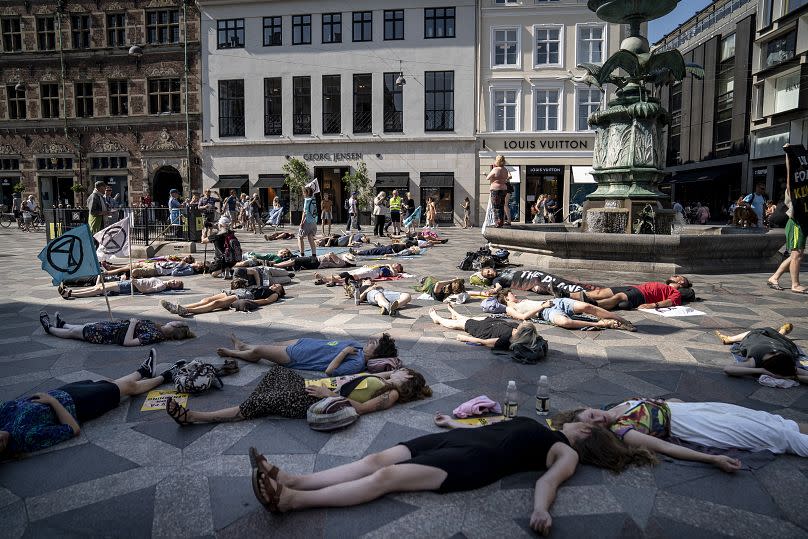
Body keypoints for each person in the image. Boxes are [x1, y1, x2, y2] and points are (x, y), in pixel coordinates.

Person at [244, 415, 651, 527]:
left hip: (474, 464)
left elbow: (547, 481)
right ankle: (295, 479)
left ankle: (295, 501)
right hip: (459, 442)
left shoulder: (567, 452)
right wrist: (454, 425)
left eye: (594, 426)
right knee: (374, 460)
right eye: (591, 417)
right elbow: (494, 427)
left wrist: (542, 509)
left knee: (385, 479)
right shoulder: (544, 424)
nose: (589, 419)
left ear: (590, 439)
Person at [0, 349, 185, 456]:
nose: (1, 442)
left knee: (108, 384)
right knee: (128, 388)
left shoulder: (3, 418)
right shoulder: (25, 437)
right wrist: (52, 401)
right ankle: (166, 375)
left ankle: (143, 371)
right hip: (78, 405)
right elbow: (72, 429)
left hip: (66, 392)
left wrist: (52, 397)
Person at [553, 396, 808, 461]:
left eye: (591, 415)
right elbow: (665, 447)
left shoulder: (618, 406)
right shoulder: (623, 431)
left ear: (587, 407)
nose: (599, 420)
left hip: (695, 410)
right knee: (776, 436)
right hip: (694, 426)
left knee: (771, 420)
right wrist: (712, 459)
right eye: (595, 425)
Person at [164, 365, 431, 427]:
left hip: (322, 399)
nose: (397, 370)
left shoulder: (392, 394)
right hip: (323, 391)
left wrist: (327, 393)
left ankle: (196, 417)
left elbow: (363, 409)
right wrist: (386, 373)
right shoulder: (385, 381)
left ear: (408, 379)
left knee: (261, 401)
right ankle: (254, 407)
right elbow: (376, 368)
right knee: (277, 372)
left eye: (402, 371)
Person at [216, 333, 398, 376]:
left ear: (376, 355)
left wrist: (343, 353)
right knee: (266, 346)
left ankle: (235, 353)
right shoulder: (358, 348)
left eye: (374, 344)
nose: (370, 341)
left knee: (259, 352)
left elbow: (329, 371)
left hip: (298, 357)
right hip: (304, 344)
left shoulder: (357, 363)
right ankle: (243, 345)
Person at [715, 324, 808, 384]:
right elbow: (728, 369)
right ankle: (781, 332)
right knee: (759, 332)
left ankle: (781, 332)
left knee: (761, 332)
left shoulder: (786, 363)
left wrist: (792, 376)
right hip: (760, 339)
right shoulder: (756, 359)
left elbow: (728, 369)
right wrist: (762, 371)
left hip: (775, 343)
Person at [39, 311, 194, 346]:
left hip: (109, 335)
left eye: (174, 322)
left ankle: (50, 329)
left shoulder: (155, 336)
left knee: (76, 333)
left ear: (175, 328)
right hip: (113, 327)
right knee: (85, 326)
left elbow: (128, 342)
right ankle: (63, 324)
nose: (171, 321)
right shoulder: (157, 328)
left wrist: (132, 324)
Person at [501, 292, 636, 331]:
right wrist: (543, 306)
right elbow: (523, 317)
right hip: (546, 312)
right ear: (506, 298)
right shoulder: (510, 308)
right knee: (564, 322)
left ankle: (622, 320)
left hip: (556, 302)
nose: (515, 295)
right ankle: (602, 324)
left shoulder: (521, 302)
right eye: (512, 294)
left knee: (587, 307)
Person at [429, 304, 540, 351]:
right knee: (464, 318)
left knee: (459, 323)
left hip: (482, 330)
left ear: (521, 332)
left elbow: (485, 342)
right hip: (491, 322)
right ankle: (455, 314)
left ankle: (437, 318)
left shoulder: (507, 340)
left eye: (523, 325)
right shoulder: (520, 330)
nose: (522, 322)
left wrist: (465, 338)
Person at [555, 275, 692, 310]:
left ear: (681, 282)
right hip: (634, 288)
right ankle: (565, 295)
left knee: (619, 297)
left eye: (678, 276)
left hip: (642, 296)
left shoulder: (676, 293)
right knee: (599, 292)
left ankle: (593, 305)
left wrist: (653, 305)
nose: (675, 275)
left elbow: (670, 302)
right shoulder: (664, 285)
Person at [162, 283, 286, 317]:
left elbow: (266, 301)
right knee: (207, 299)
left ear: (279, 292)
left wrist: (252, 302)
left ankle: (186, 310)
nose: (274, 285)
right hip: (239, 291)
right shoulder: (266, 286)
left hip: (245, 295)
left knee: (216, 304)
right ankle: (178, 307)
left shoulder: (274, 294)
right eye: (275, 284)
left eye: (277, 286)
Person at [767, 204, 807, 294]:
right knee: (797, 254)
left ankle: (774, 278)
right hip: (796, 224)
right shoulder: (795, 191)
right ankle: (795, 285)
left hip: (802, 224)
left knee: (795, 255)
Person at [57, 276, 184, 299]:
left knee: (98, 290)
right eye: (175, 280)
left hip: (129, 287)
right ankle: (71, 291)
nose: (173, 281)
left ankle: (71, 294)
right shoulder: (161, 281)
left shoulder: (161, 286)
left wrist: (135, 282)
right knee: (99, 286)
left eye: (175, 284)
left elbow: (146, 291)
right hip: (128, 283)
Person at [314, 263, 404, 286]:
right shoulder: (387, 266)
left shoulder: (392, 270)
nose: (396, 264)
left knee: (356, 276)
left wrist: (389, 265)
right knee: (347, 273)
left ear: (399, 269)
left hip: (373, 272)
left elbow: (393, 274)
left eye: (398, 265)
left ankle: (335, 280)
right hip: (369, 268)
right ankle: (325, 279)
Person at [486, 155, 509, 228]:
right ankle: (501, 222)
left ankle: (497, 223)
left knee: (495, 207)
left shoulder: (495, 169)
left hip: (495, 189)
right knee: (501, 206)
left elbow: (488, 177)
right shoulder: (505, 170)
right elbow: (507, 178)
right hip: (504, 189)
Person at [272, 251, 354, 272]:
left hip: (316, 261)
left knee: (294, 260)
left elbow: (331, 254)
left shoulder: (342, 263)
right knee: (294, 261)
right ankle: (276, 265)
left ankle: (276, 265)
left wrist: (332, 255)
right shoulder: (342, 262)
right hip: (315, 261)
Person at [297, 186, 318, 256]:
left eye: (303, 192)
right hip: (314, 221)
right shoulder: (313, 199)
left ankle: (302, 254)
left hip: (307, 220)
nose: (303, 194)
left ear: (306, 193)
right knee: (310, 236)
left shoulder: (307, 200)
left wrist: (301, 222)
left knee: (299, 237)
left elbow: (305, 212)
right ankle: (314, 254)